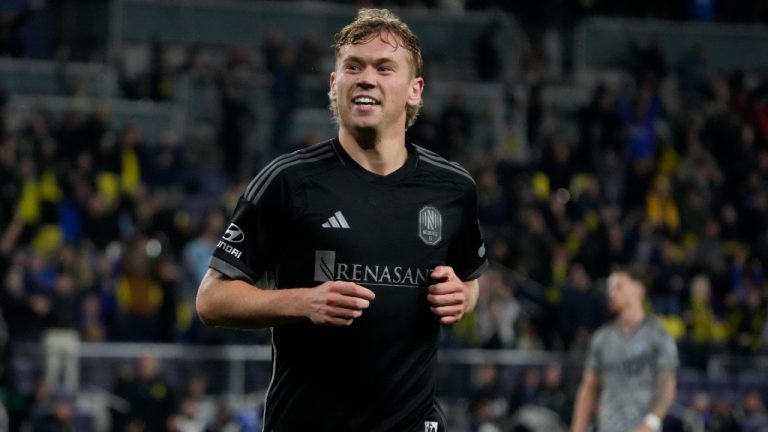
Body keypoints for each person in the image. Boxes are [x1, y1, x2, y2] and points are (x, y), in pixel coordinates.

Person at [196, 8, 488, 432]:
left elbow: (471, 280)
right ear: (335, 85)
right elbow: (212, 300)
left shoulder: (453, 188)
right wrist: (304, 302)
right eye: (353, 66)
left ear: (414, 90)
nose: (366, 78)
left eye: (385, 68)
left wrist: (464, 296)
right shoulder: (289, 180)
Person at [571, 267, 678, 432]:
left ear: (639, 289)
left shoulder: (658, 335)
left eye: (618, 287)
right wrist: (577, 428)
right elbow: (588, 388)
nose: (611, 293)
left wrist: (651, 423)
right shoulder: (602, 338)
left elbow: (667, 386)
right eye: (610, 289)